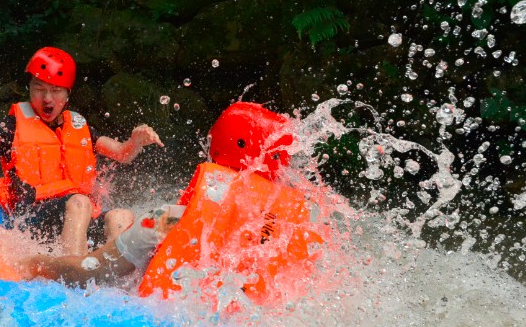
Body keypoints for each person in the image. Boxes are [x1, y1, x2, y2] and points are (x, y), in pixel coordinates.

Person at [23, 102, 330, 311]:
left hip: (156, 259)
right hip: (165, 237)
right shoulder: (285, 227)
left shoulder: (171, 216)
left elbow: (94, 273)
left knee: (107, 264)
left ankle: (103, 232)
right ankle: (95, 234)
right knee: (103, 254)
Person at [0, 47, 163, 256]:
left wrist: (136, 141)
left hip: (77, 218)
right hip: (34, 219)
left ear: (67, 95)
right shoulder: (13, 124)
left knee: (121, 216)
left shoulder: (79, 127)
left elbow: (122, 153)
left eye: (56, 91)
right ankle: (74, 274)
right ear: (29, 89)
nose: (47, 98)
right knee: (80, 202)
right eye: (39, 88)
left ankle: (115, 274)